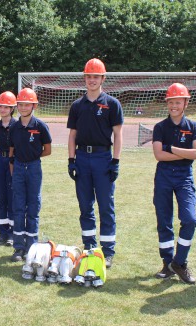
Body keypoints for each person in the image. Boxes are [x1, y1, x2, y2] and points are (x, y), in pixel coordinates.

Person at [67, 58, 123, 268]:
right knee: (85, 205)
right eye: (89, 76)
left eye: (96, 76)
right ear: (85, 78)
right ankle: (90, 246)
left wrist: (115, 161)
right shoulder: (77, 105)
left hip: (102, 158)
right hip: (82, 158)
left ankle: (107, 251)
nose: (92, 80)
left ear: (102, 78)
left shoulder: (112, 104)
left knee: (106, 205)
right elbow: (73, 135)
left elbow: (118, 135)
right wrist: (71, 160)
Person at [152, 83, 196, 284]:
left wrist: (171, 148)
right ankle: (167, 264)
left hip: (184, 177)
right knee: (164, 222)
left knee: (190, 219)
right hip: (164, 176)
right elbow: (158, 155)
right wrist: (184, 153)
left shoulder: (193, 127)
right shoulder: (160, 127)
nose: (174, 105)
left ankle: (179, 262)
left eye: (178, 102)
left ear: (185, 103)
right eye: (171, 102)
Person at [9, 88, 52, 261]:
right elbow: (12, 150)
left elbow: (47, 150)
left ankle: (31, 246)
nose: (24, 107)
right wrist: (15, 167)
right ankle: (18, 247)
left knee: (33, 206)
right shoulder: (14, 127)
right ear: (17, 106)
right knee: (18, 206)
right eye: (21, 104)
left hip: (34, 168)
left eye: (27, 104)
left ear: (33, 105)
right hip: (18, 167)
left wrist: (32, 158)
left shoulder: (40, 126)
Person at [0, 91, 17, 246]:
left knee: (12, 196)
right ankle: (3, 233)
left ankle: (13, 234)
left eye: (6, 107)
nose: (2, 109)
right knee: (1, 197)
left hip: (13, 161)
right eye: (0, 106)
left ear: (12, 108)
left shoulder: (17, 126)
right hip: (0, 159)